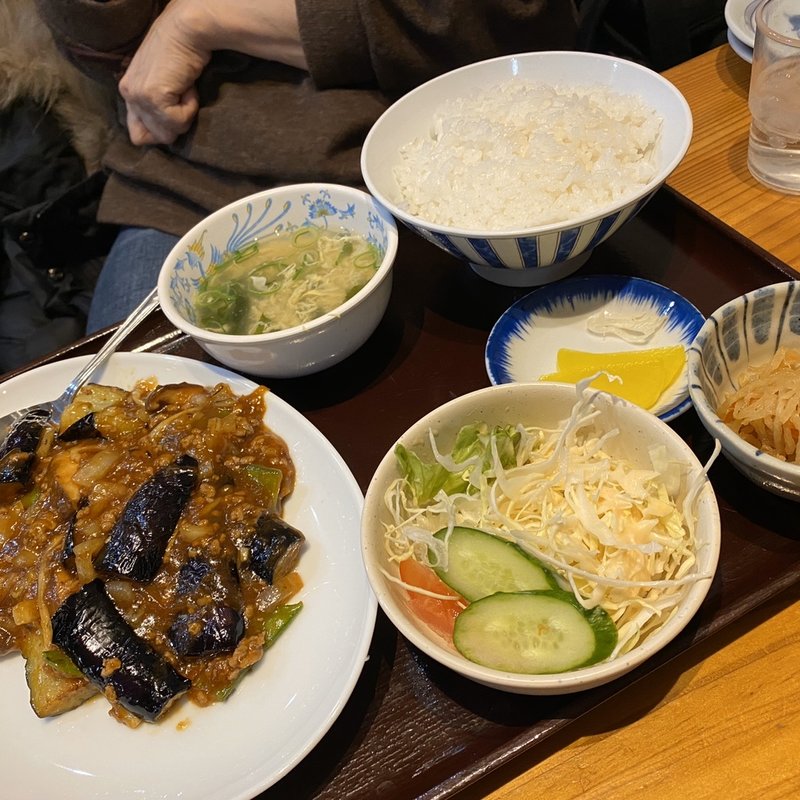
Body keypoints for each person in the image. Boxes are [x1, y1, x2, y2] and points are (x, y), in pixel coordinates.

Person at [35, 0, 578, 331]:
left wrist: (203, 19)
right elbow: (107, 48)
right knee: (107, 440)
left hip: (430, 165)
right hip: (182, 187)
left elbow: (516, 21)